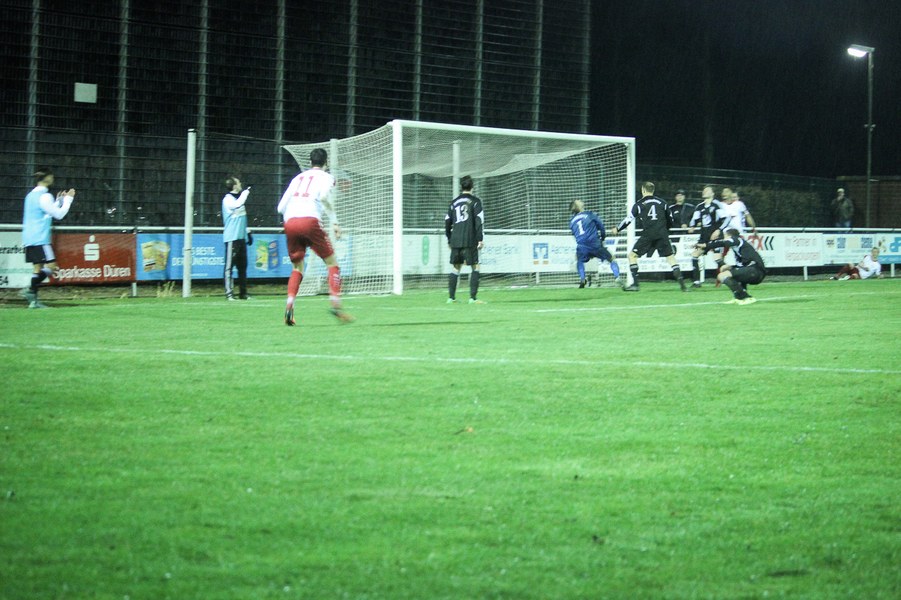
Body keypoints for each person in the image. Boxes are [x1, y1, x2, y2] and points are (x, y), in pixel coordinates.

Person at [277, 148, 353, 326]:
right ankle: (335, 304)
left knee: (297, 268)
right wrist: (334, 222)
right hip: (310, 220)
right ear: (326, 162)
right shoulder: (327, 177)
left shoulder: (297, 178)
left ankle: (289, 305)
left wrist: (290, 221)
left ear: (310, 162)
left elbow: (280, 207)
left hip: (290, 222)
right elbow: (324, 198)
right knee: (332, 263)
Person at [609, 181, 686, 292]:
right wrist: (665, 230)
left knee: (632, 256)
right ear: (653, 190)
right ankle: (683, 285)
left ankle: (635, 284)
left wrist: (617, 229)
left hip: (648, 234)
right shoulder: (662, 202)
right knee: (671, 258)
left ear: (643, 190)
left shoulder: (639, 204)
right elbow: (671, 219)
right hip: (662, 234)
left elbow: (628, 219)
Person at [20, 169, 75, 309]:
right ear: (47, 178)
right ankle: (30, 289)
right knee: (52, 267)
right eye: (51, 176)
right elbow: (59, 215)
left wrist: (58, 202)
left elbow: (45, 213)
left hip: (29, 237)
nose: (53, 178)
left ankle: (33, 302)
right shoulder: (45, 196)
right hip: (41, 238)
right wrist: (68, 200)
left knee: (37, 268)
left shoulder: (30, 195)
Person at [695, 228, 766, 304]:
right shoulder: (740, 248)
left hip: (755, 270)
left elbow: (723, 243)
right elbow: (742, 265)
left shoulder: (737, 240)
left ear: (729, 236)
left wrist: (705, 245)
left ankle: (746, 297)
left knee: (721, 276)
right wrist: (731, 267)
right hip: (755, 270)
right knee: (727, 272)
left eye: (725, 235)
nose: (724, 238)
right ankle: (738, 297)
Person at [445, 175, 485, 303]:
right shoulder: (476, 202)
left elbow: (447, 221)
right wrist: (480, 239)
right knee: (475, 266)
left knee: (456, 267)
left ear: (461, 187)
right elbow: (479, 221)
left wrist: (449, 239)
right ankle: (472, 298)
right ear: (472, 186)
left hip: (455, 239)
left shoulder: (453, 202)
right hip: (470, 239)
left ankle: (451, 298)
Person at [569, 199, 621, 288]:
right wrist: (602, 238)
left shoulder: (572, 221)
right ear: (578, 206)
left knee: (579, 260)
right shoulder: (589, 214)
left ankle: (582, 279)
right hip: (594, 243)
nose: (580, 200)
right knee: (612, 258)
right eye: (578, 201)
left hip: (582, 245)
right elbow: (601, 226)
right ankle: (617, 277)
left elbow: (574, 234)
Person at [687, 185, 729, 287]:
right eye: (704, 190)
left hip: (715, 236)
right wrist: (692, 226)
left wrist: (719, 230)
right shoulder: (700, 206)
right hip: (704, 237)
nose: (704, 191)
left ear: (712, 193)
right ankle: (697, 282)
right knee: (694, 255)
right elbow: (694, 219)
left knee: (717, 259)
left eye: (707, 190)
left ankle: (733, 276)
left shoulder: (716, 205)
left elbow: (727, 219)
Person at [222, 176, 252, 301]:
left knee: (243, 267)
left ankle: (243, 293)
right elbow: (237, 205)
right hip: (232, 238)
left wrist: (247, 233)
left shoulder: (239, 199)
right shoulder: (228, 200)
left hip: (241, 238)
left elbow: (242, 219)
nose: (240, 185)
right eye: (238, 183)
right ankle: (229, 293)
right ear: (234, 186)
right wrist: (245, 193)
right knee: (229, 267)